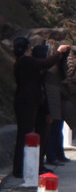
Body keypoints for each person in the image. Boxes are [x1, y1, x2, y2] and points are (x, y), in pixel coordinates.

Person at [10, 38, 70, 177]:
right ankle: (19, 169)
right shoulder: (26, 61)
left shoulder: (21, 62)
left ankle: (32, 166)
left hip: (28, 101)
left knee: (30, 134)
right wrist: (59, 52)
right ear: (28, 48)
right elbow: (46, 63)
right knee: (25, 135)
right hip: (27, 102)